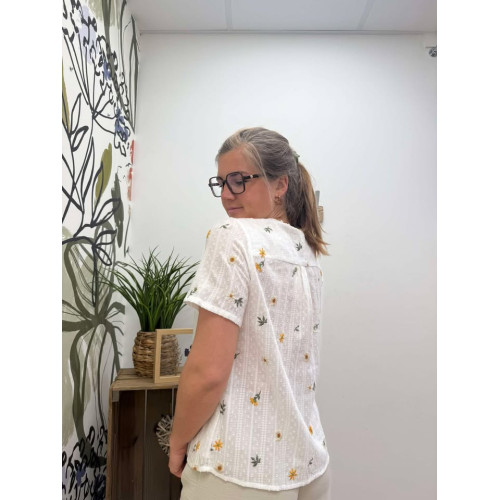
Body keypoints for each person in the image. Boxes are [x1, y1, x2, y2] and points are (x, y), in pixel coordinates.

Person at [169, 127, 330, 499]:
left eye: (239, 180)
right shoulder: (305, 250)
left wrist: (177, 442)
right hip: (309, 464)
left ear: (280, 185)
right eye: (221, 182)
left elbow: (208, 372)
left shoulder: (232, 236)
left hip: (238, 470)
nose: (227, 194)